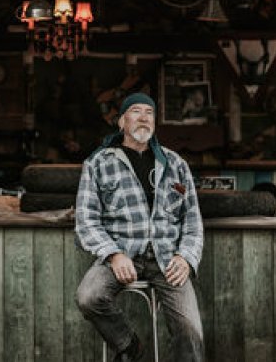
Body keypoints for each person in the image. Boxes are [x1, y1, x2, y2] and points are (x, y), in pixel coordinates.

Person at [75, 92, 204, 361]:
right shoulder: (99, 164)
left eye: (149, 112)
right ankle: (129, 346)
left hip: (167, 258)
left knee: (190, 327)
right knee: (89, 296)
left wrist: (185, 257)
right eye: (136, 111)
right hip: (120, 255)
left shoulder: (176, 164)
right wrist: (114, 254)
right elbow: (86, 220)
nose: (144, 117)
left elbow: (192, 221)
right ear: (121, 121)